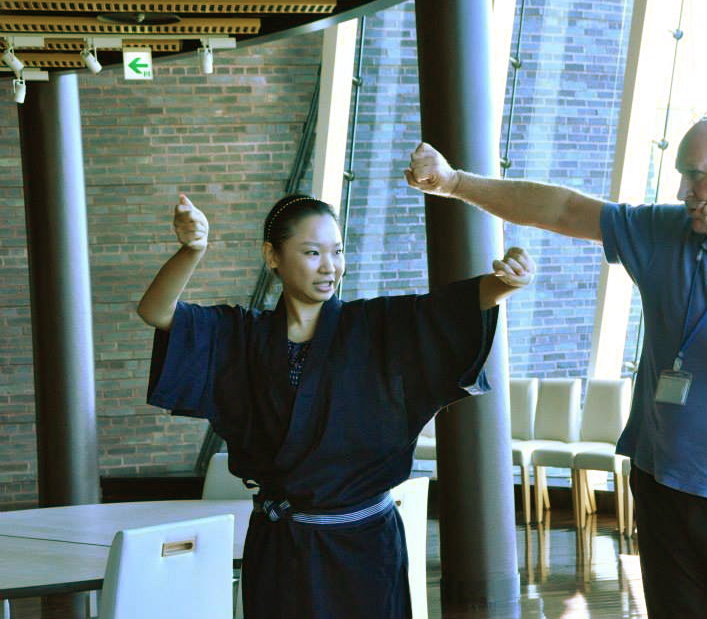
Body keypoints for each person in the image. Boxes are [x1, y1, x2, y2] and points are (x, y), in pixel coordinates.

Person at [405, 112, 707, 619]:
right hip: (661, 488)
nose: (682, 191)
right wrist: (454, 183)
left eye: (696, 174)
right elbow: (563, 208)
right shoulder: (665, 229)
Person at [137, 193, 535, 618]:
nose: (329, 267)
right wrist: (192, 250)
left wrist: (505, 283)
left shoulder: (374, 325)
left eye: (337, 252)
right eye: (312, 253)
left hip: (363, 550)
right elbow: (156, 311)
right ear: (272, 256)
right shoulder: (242, 334)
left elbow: (446, 310)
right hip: (279, 547)